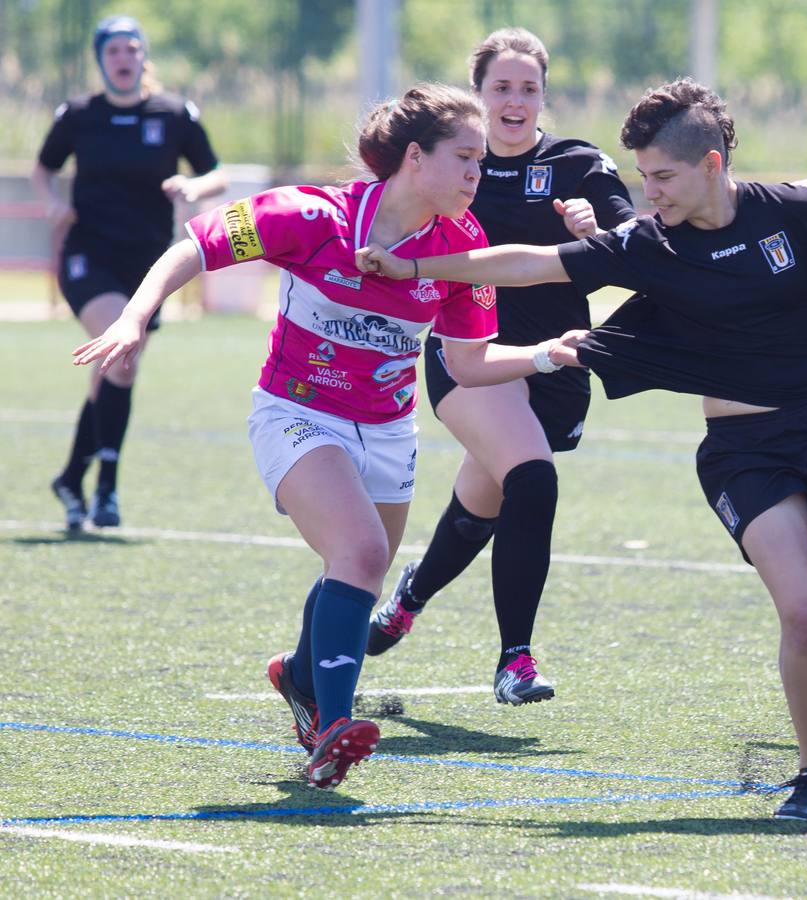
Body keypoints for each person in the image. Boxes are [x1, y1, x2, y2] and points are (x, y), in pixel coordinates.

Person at [357, 78, 807, 821]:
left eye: (661, 177)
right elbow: (532, 262)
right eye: (642, 177)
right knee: (805, 611)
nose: (647, 192)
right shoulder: (648, 245)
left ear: (711, 165)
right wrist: (418, 268)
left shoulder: (789, 206)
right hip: (743, 452)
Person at [71, 83, 580, 790]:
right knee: (363, 550)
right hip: (295, 412)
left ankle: (300, 675)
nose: (477, 173)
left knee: (356, 571)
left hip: (387, 429)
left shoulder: (462, 246)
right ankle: (331, 729)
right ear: (413, 157)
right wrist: (134, 316)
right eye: (464, 156)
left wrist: (546, 354)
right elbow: (196, 245)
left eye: (482, 160)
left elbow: (466, 363)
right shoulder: (312, 215)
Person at [365, 28, 637, 706]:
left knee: (480, 503)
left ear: (544, 95)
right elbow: (392, 221)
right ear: (478, 94)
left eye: (528, 88)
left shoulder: (578, 166)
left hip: (557, 361)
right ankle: (514, 659)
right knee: (532, 481)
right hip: (467, 358)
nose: (515, 101)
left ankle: (409, 597)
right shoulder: (455, 165)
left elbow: (635, 246)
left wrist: (591, 234)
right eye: (500, 88)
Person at [32, 15, 226, 531]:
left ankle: (74, 479)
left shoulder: (173, 112)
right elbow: (43, 167)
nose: (124, 57)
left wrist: (194, 188)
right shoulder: (78, 115)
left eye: (132, 49)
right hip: (88, 255)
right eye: (114, 50)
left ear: (143, 57)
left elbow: (215, 172)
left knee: (116, 366)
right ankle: (106, 490)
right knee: (120, 356)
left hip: (148, 263)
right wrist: (52, 203)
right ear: (101, 59)